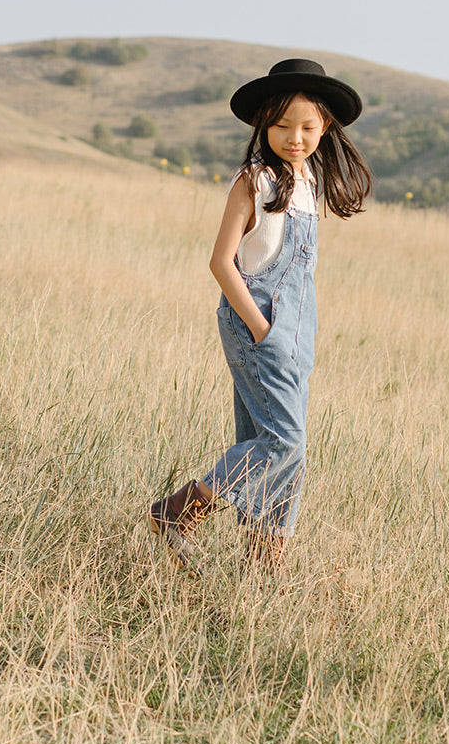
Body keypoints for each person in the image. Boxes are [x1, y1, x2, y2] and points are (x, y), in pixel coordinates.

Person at [150, 59, 374, 571]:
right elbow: (220, 261)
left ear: (326, 128)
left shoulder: (310, 183)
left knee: (278, 453)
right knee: (283, 440)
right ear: (263, 125)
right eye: (281, 125)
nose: (294, 137)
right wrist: (260, 327)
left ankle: (261, 573)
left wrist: (290, 336)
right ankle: (179, 511)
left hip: (296, 336)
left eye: (307, 127)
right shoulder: (255, 182)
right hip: (258, 325)